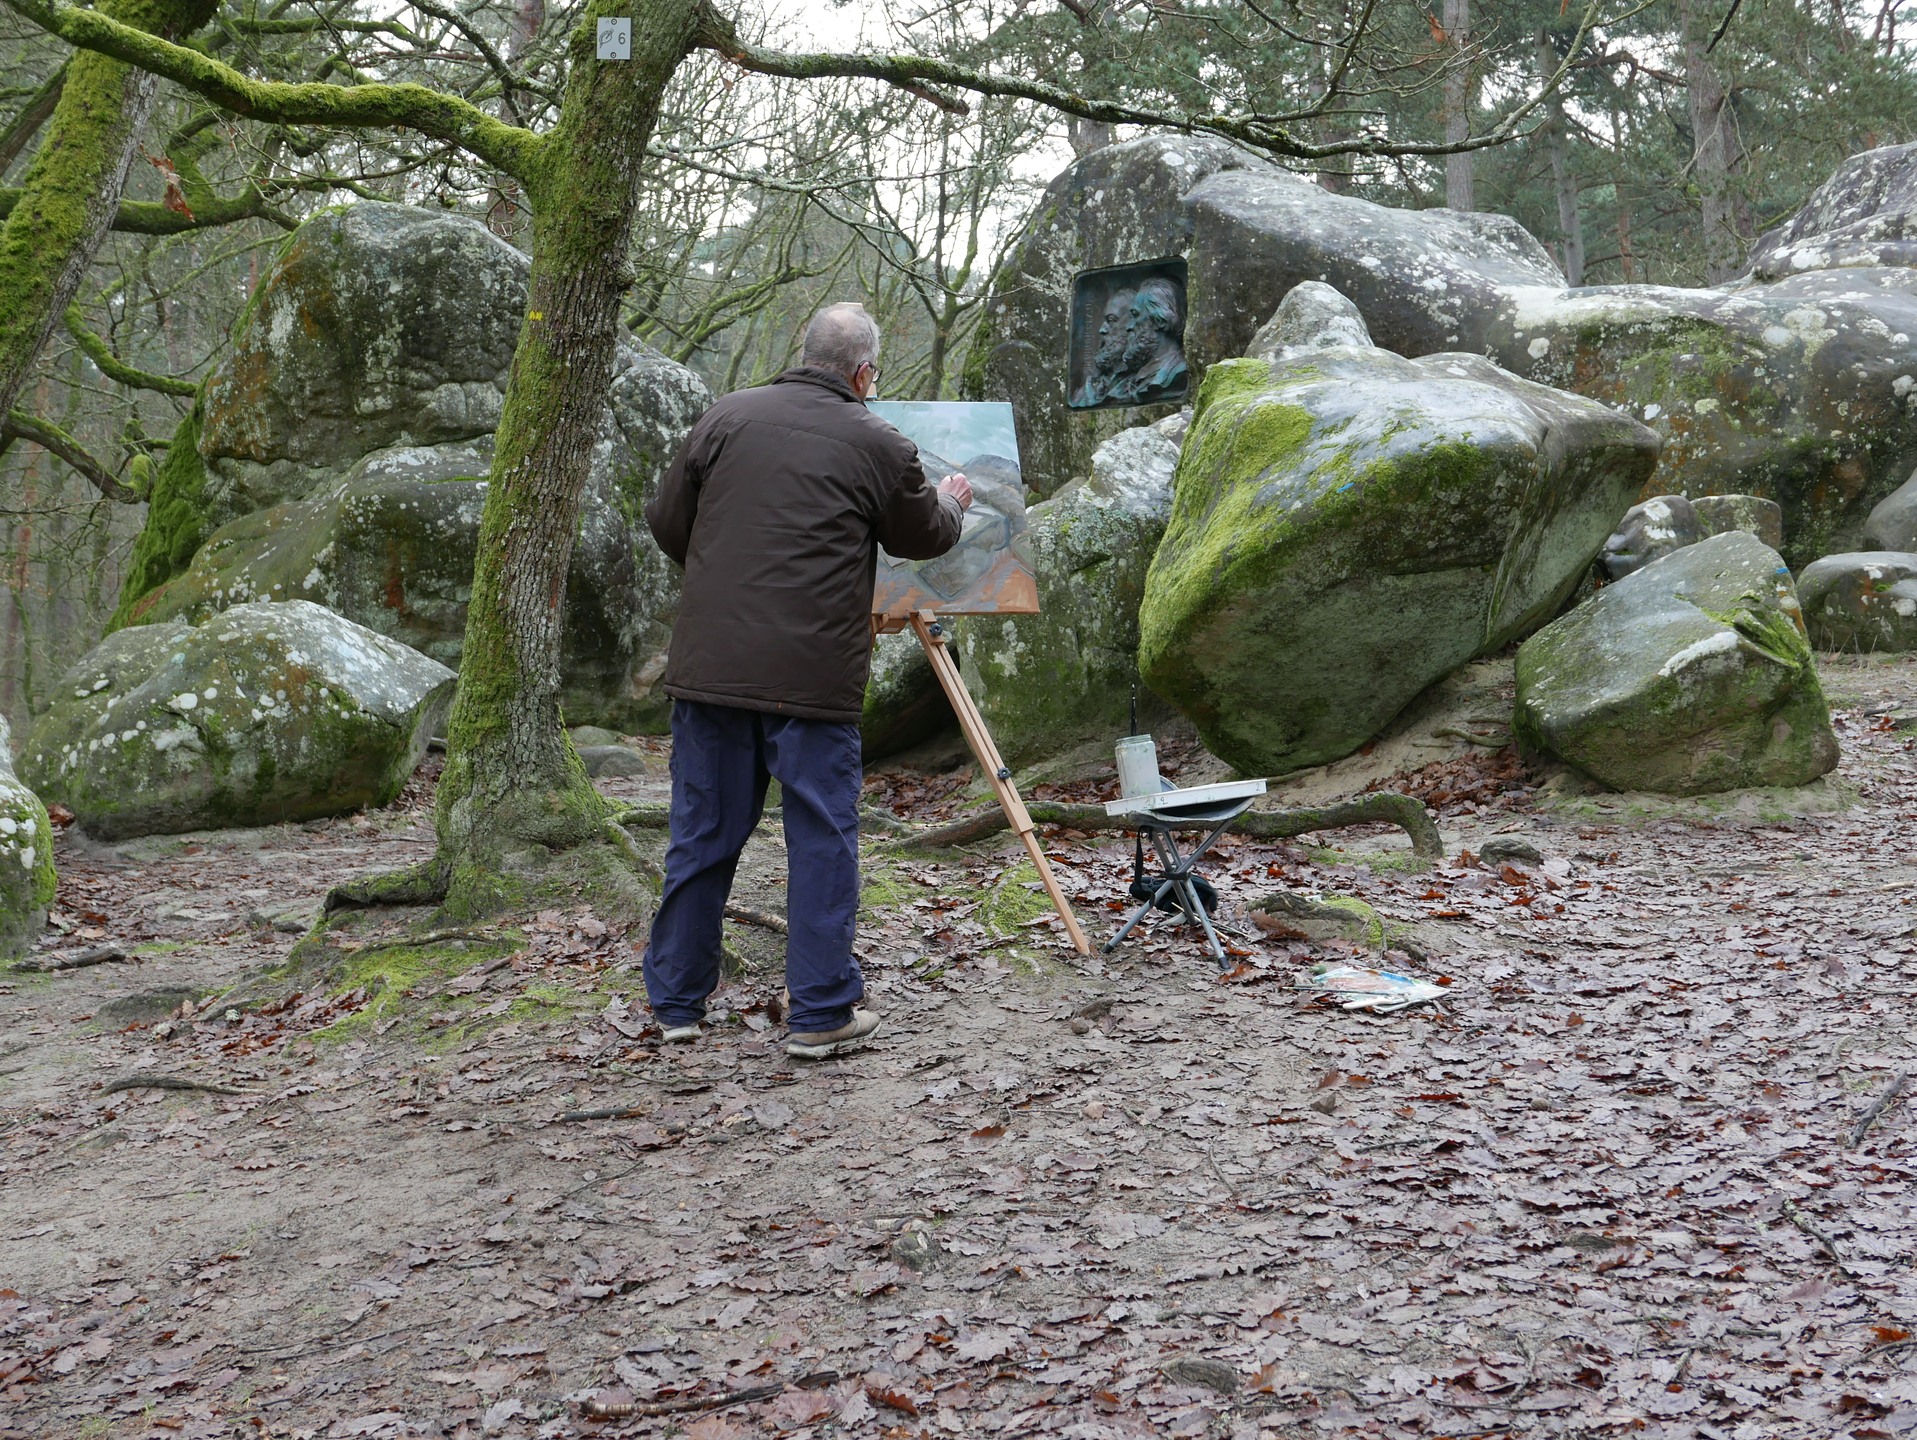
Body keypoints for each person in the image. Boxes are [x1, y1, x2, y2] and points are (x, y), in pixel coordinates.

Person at [642, 303, 973, 1059]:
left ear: (804, 353)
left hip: (710, 674)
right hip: (812, 683)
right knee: (821, 839)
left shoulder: (724, 417)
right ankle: (821, 1014)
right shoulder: (877, 440)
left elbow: (668, 523)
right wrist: (953, 503)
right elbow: (922, 535)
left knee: (700, 838)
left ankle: (676, 1006)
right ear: (863, 374)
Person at [1108, 277, 1189, 405]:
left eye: (1135, 315)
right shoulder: (1126, 381)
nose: (1129, 327)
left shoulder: (1178, 373)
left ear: (1160, 320)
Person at [1070, 286, 1135, 407]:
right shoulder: (1084, 391)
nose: (1102, 329)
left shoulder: (1139, 383)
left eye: (1111, 320)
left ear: (1132, 325)